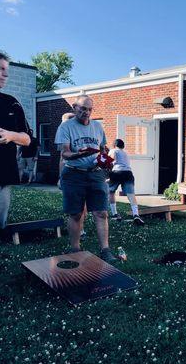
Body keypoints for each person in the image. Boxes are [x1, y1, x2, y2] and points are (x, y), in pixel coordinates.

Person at [54, 94, 117, 262]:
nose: (86, 112)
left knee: (101, 212)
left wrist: (106, 161)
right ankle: (75, 249)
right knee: (75, 214)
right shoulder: (66, 127)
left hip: (96, 174)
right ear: (75, 108)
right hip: (73, 174)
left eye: (89, 109)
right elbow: (65, 153)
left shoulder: (97, 126)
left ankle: (105, 250)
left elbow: (102, 149)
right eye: (83, 109)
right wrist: (78, 154)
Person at [0, 51, 31, 238]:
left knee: (0, 225)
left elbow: (27, 139)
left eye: (7, 70)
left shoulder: (12, 103)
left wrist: (11, 135)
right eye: (1, 69)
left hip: (3, 175)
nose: (6, 74)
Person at [107, 139, 145, 226]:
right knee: (131, 195)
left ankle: (115, 214)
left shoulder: (113, 150)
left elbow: (110, 160)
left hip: (117, 172)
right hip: (128, 173)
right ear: (122, 146)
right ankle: (136, 215)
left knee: (111, 192)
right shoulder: (126, 153)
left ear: (114, 145)